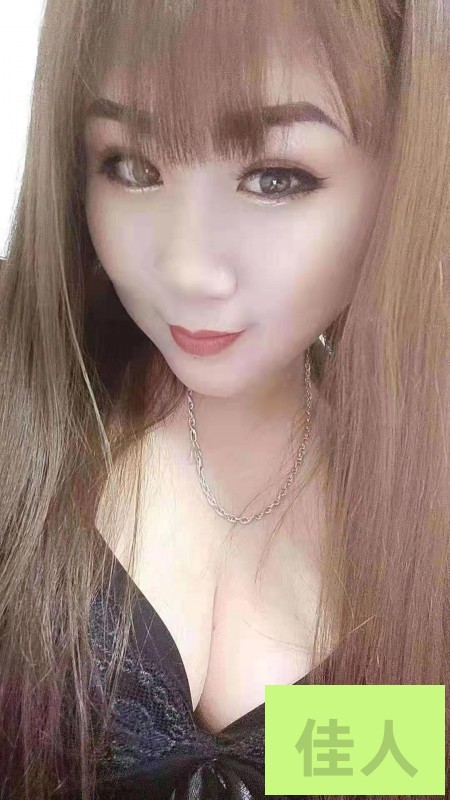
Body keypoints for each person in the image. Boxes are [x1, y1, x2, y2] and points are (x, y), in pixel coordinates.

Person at [0, 1, 448, 799]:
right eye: (132, 167)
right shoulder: (21, 396)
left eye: (276, 177)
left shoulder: (424, 500)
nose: (189, 269)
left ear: (403, 174)